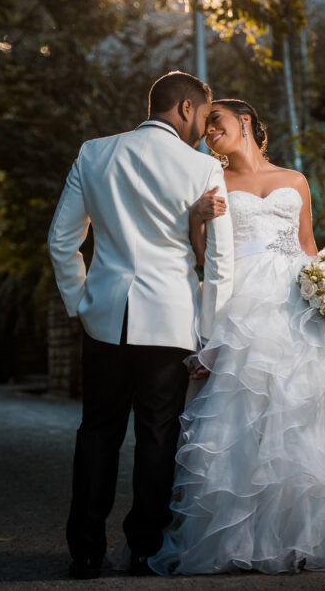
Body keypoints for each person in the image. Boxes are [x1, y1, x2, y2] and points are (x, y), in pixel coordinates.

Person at [147, 99, 325, 575]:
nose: (207, 134)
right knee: (247, 412)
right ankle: (247, 535)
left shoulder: (294, 180)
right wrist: (197, 218)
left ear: (243, 123)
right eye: (203, 129)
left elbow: (307, 245)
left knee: (308, 411)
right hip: (242, 305)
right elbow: (206, 256)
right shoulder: (211, 181)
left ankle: (316, 533)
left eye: (214, 124)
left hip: (296, 305)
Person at [47, 71, 234, 579]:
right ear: (188, 109)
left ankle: (85, 551)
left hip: (105, 319)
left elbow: (62, 241)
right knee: (158, 436)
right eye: (201, 117)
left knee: (97, 433)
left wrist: (80, 305)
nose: (201, 129)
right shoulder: (201, 167)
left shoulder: (94, 152)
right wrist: (209, 332)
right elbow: (219, 261)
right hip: (170, 323)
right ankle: (144, 551)